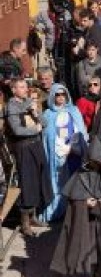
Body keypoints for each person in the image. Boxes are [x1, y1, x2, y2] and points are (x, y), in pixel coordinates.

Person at [5, 78, 52, 236]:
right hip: (23, 147)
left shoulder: (29, 103)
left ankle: (33, 216)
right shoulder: (11, 106)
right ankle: (24, 223)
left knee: (39, 179)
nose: (25, 89)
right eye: (21, 87)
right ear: (13, 90)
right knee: (28, 183)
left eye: (25, 86)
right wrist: (35, 129)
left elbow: (44, 123)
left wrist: (35, 111)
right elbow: (17, 131)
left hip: (36, 145)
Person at [40, 84, 88, 223]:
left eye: (63, 94)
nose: (60, 97)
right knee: (58, 183)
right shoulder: (48, 114)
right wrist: (59, 148)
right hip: (57, 154)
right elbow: (47, 137)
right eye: (57, 94)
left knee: (74, 181)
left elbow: (81, 131)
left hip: (74, 152)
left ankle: (74, 213)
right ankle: (57, 211)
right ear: (52, 96)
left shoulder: (73, 111)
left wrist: (74, 147)